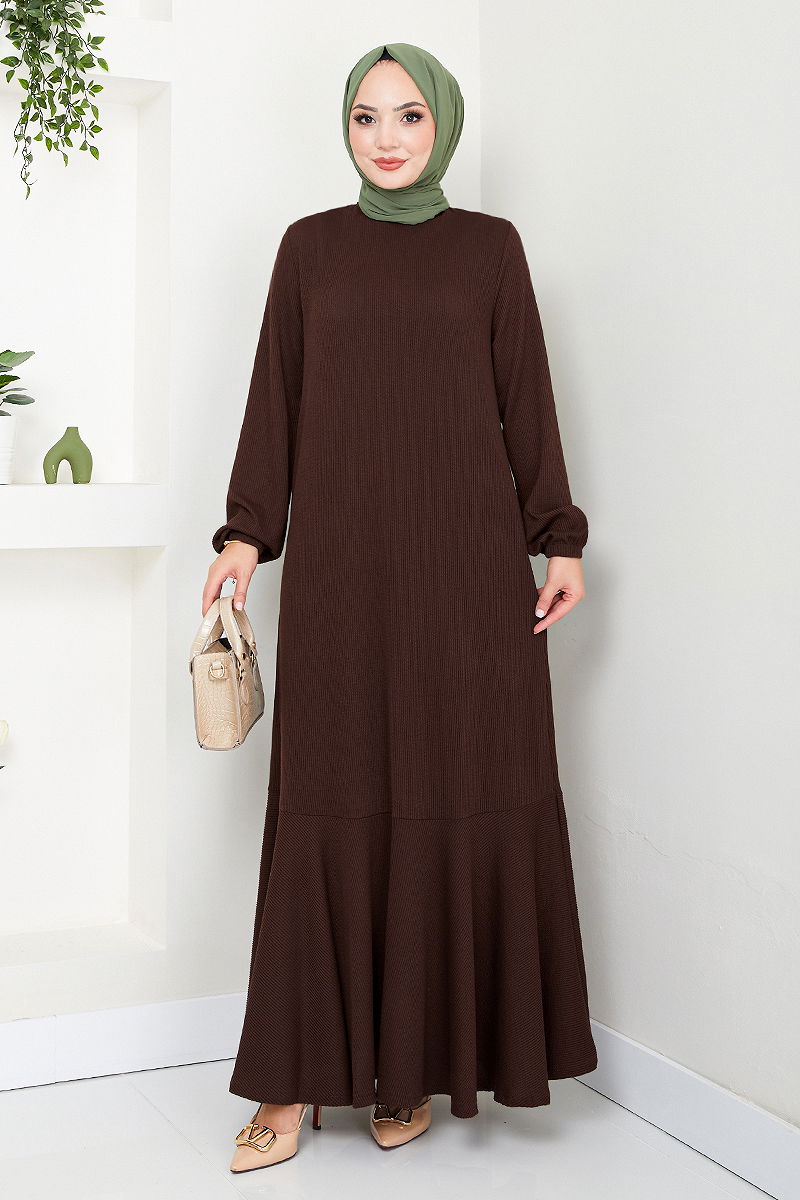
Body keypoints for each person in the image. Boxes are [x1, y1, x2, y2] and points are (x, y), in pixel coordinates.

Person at [203, 41, 598, 1173]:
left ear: (443, 126)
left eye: (410, 116)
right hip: (340, 580)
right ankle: (289, 1086)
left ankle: (407, 1068)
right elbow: (275, 400)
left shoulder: (489, 250)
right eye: (367, 117)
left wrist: (558, 538)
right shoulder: (308, 249)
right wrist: (244, 534)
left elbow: (526, 401)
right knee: (329, 801)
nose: (386, 138)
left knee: (446, 792)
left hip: (466, 579)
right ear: (345, 127)